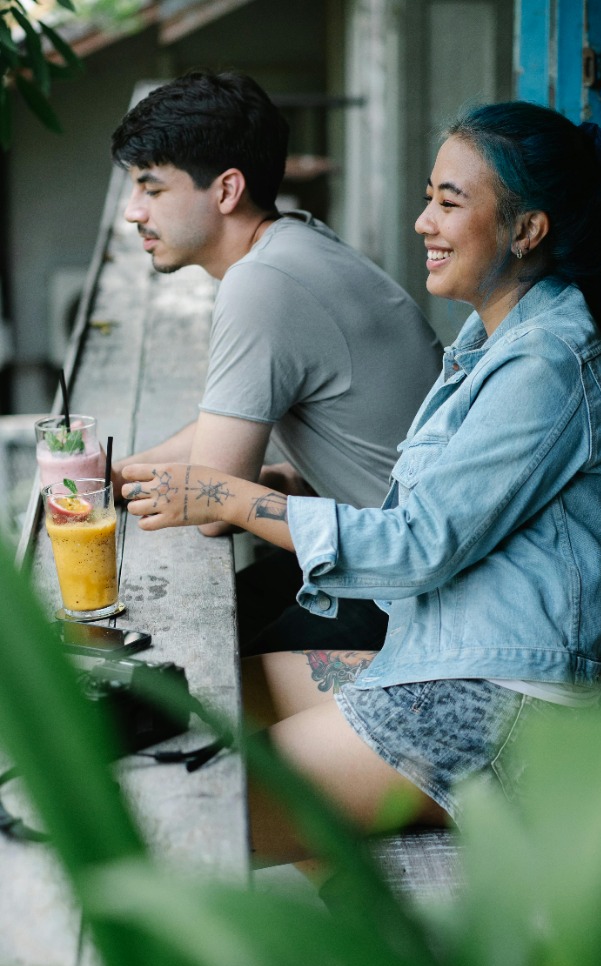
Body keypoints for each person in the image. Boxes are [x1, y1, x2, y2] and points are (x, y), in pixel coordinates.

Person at [122, 101, 601, 867]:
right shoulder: (496, 335)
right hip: (439, 657)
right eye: (427, 197)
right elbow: (441, 515)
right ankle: (351, 917)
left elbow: (417, 548)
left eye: (449, 202)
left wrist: (230, 497)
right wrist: (289, 493)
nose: (422, 222)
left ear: (526, 230)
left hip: (492, 707)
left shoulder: (546, 364)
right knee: (202, 697)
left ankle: (364, 950)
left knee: (189, 812)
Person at [109, 70, 443, 654]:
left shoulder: (262, 283)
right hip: (376, 552)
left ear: (226, 190)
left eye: (152, 188)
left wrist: (156, 480)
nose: (133, 212)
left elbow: (212, 505)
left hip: (405, 591)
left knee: (184, 676)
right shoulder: (294, 240)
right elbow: (229, 425)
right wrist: (124, 472)